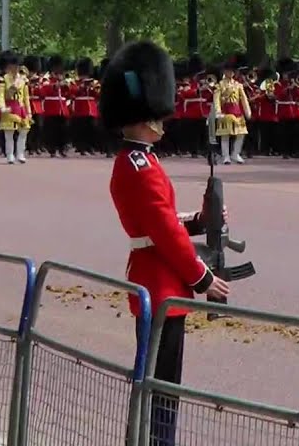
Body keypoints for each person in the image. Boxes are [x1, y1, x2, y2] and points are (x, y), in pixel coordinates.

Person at [99, 40, 231, 446]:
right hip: (161, 285)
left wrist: (200, 219)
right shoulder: (140, 166)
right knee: (162, 386)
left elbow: (164, 222)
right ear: (143, 116)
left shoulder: (139, 161)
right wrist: (203, 276)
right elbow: (163, 233)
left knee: (161, 382)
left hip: (156, 280)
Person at [0, 51, 32, 164]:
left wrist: (29, 111)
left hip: (21, 108)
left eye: (16, 65)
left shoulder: (23, 79)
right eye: (13, 65)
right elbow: (0, 95)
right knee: (9, 135)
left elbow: (26, 97)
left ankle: (20, 153)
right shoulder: (4, 79)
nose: (16, 68)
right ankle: (10, 155)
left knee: (23, 132)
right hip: (10, 108)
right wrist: (2, 107)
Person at [213, 61, 251, 165]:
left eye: (232, 71)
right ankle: (226, 156)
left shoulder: (238, 85)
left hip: (237, 112)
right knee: (225, 135)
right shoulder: (220, 85)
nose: (231, 73)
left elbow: (244, 99)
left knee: (241, 134)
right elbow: (216, 99)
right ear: (225, 72)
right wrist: (218, 111)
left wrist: (247, 111)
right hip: (226, 112)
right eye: (229, 71)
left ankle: (236, 153)